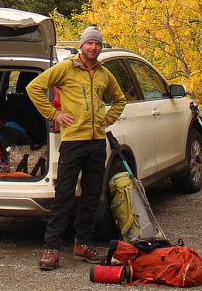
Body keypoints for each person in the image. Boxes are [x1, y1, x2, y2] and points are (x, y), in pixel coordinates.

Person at [25, 25, 127, 271]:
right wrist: (54, 114)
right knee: (65, 195)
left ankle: (83, 244)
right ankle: (52, 249)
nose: (93, 48)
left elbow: (119, 99)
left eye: (97, 44)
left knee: (92, 195)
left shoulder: (104, 73)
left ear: (100, 48)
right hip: (73, 142)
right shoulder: (66, 67)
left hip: (96, 142)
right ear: (81, 46)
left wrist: (108, 118)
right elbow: (34, 88)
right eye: (89, 43)